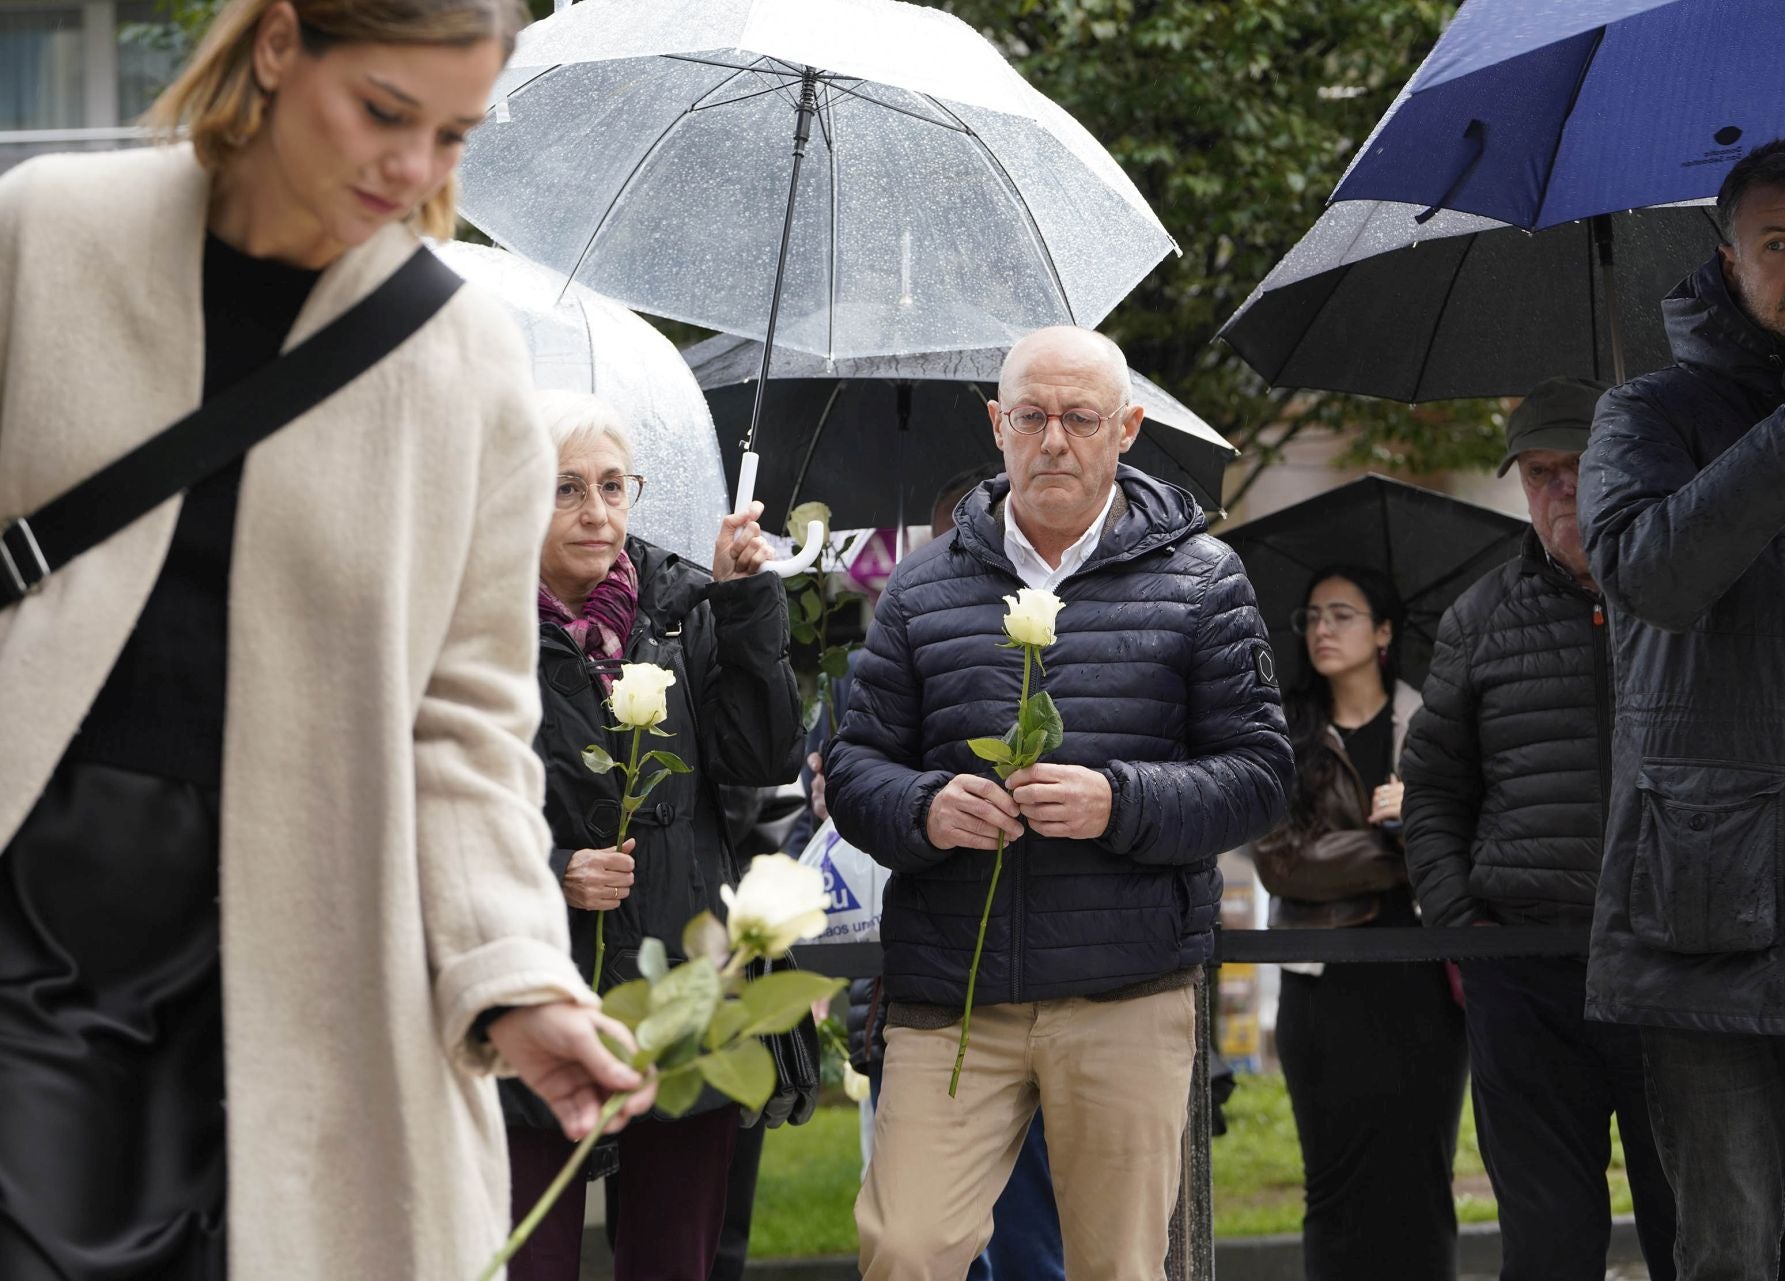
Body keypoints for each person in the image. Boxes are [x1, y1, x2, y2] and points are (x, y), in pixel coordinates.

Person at [0, 1, 659, 1276]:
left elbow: (468, 720)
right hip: (31, 912)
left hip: (304, 940)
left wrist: (516, 976)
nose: (413, 171)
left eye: (454, 136)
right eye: (384, 112)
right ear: (278, 44)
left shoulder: (459, 359)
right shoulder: (44, 236)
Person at [826, 326, 1293, 1279]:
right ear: (997, 426)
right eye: (1032, 416)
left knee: (1119, 1266)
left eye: (1080, 418)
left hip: (1123, 984)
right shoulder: (920, 590)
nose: (1054, 441)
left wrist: (1118, 800)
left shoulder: (1203, 581)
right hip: (953, 988)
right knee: (906, 1248)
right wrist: (924, 807)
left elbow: (1259, 774)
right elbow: (854, 768)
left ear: (1127, 428)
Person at [1579, 131, 1785, 1278]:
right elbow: (1651, 580)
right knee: (1728, 1253)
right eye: (1778, 245)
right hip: (1711, 916)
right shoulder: (1644, 415)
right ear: (1729, 261)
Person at [501, 391, 803, 1280]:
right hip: (537, 991)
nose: (596, 513)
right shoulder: (478, 623)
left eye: (612, 486)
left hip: (679, 985)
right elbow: (439, 808)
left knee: (673, 1262)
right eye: (565, 489)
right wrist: (554, 868)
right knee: (527, 1259)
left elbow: (760, 756)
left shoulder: (683, 606)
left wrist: (745, 605)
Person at [1400, 378, 1681, 1281]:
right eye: (1539, 472)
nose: (1561, 490)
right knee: (1549, 1241)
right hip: (1523, 972)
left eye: (1581, 466)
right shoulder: (1481, 616)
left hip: (1675, 958)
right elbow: (1432, 788)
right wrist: (1461, 924)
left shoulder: (1684, 596)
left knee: (1700, 1226)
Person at [791, 466, 1066, 1281]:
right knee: (923, 1238)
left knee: (1033, 1238)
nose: (965, 553)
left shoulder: (1052, 654)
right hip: (921, 980)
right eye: (950, 536)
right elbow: (852, 793)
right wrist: (860, 789)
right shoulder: (879, 651)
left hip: (1054, 970)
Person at [1251, 566, 1467, 1281]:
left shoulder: (1433, 721)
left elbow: (1470, 841)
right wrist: (1400, 844)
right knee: (1333, 1186)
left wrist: (1424, 813)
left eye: (1342, 614)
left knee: (1421, 1178)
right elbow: (1282, 863)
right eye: (1312, 616)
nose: (1321, 629)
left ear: (1383, 632)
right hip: (1322, 985)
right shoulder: (1282, 730)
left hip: (1420, 986)